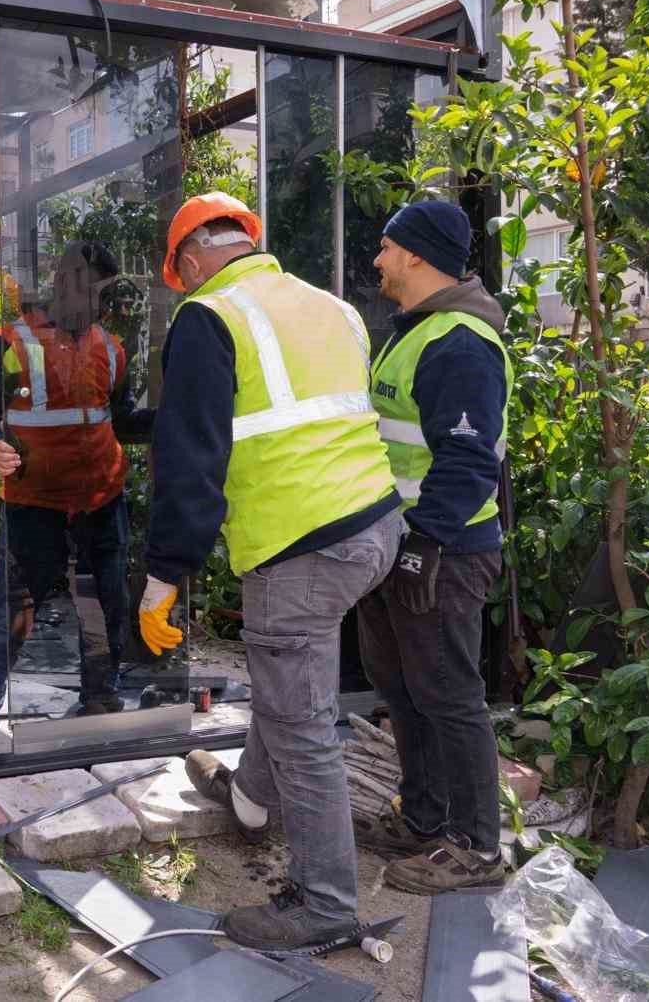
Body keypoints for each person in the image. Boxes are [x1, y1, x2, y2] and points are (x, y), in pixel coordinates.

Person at [145, 192, 404, 953]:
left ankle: (324, 902)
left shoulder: (209, 317)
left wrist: (164, 576)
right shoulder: (334, 309)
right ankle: (251, 798)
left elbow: (190, 463)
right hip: (374, 525)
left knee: (301, 722)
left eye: (179, 277)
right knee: (289, 676)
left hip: (301, 544)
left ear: (191, 263)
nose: (182, 289)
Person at [354, 199, 512, 894]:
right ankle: (422, 818)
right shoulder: (414, 331)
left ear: (417, 255)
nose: (379, 259)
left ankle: (477, 848)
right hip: (402, 544)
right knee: (403, 688)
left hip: (444, 550)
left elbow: (470, 457)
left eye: (388, 248)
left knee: (449, 695)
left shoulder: (460, 342)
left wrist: (426, 544)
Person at [0, 242, 152, 761]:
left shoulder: (110, 348)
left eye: (103, 293)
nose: (97, 303)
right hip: (33, 503)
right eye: (89, 289)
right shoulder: (12, 341)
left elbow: (119, 420)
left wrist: (176, 420)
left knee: (103, 603)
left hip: (101, 500)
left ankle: (99, 700)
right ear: (63, 285)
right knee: (14, 610)